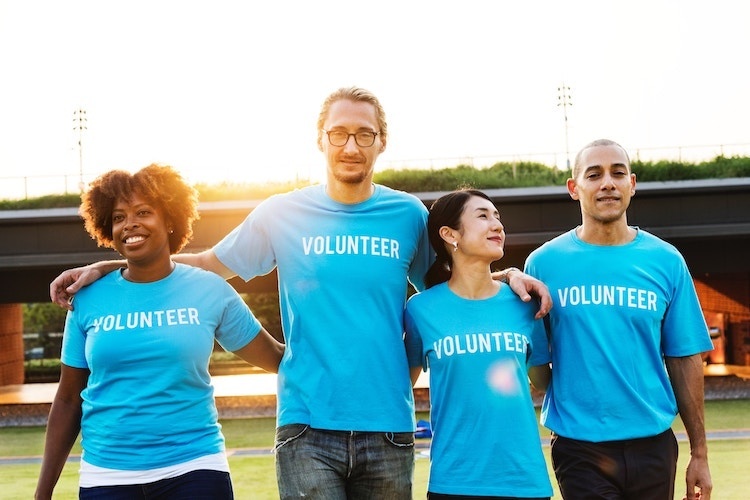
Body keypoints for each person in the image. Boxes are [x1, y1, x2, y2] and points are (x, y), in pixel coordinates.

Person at [49, 87, 552, 499]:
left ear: (381, 143)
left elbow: (455, 291)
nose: (350, 146)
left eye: (364, 134)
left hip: (390, 426)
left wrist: (507, 277)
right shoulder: (280, 213)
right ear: (320, 140)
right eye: (338, 133)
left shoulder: (409, 217)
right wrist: (113, 264)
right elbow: (205, 266)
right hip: (305, 427)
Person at [35, 165, 284, 500]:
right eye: (119, 217)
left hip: (195, 468)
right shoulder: (87, 299)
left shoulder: (211, 290)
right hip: (107, 476)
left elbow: (278, 359)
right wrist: (43, 492)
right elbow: (67, 399)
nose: (130, 224)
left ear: (170, 221)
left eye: (143, 212)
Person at [524, 139, 713, 500]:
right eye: (594, 174)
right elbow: (538, 363)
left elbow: (685, 357)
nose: (607, 182)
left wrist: (699, 453)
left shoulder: (666, 261)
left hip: (653, 445)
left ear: (633, 184)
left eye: (618, 173)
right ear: (573, 188)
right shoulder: (543, 263)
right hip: (580, 447)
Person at [404, 189, 553, 499]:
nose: (497, 225)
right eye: (483, 216)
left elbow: (543, 381)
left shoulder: (526, 303)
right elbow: (401, 386)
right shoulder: (420, 309)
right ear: (449, 234)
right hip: (453, 482)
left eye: (497, 217)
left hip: (524, 481)